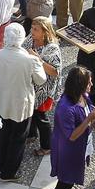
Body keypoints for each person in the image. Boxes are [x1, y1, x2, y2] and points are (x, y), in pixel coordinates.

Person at [43, 65, 95, 189]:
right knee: (64, 184)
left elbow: (88, 111)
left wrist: (94, 121)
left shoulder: (83, 96)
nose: (91, 85)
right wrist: (90, 119)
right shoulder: (65, 108)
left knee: (68, 183)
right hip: (68, 152)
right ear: (80, 85)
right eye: (88, 83)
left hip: (81, 147)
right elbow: (71, 135)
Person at [0, 23, 46, 179]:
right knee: (18, 138)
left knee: (3, 134)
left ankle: (1, 163)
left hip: (0, 102)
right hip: (22, 105)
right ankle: (9, 171)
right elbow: (41, 80)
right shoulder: (31, 60)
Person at [24, 16, 63, 155]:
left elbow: (55, 72)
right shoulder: (30, 40)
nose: (32, 31)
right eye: (32, 28)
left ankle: (47, 146)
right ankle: (31, 135)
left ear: (45, 32)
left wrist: (38, 59)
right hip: (31, 87)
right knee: (32, 112)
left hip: (44, 90)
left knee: (41, 117)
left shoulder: (52, 49)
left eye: (36, 29)